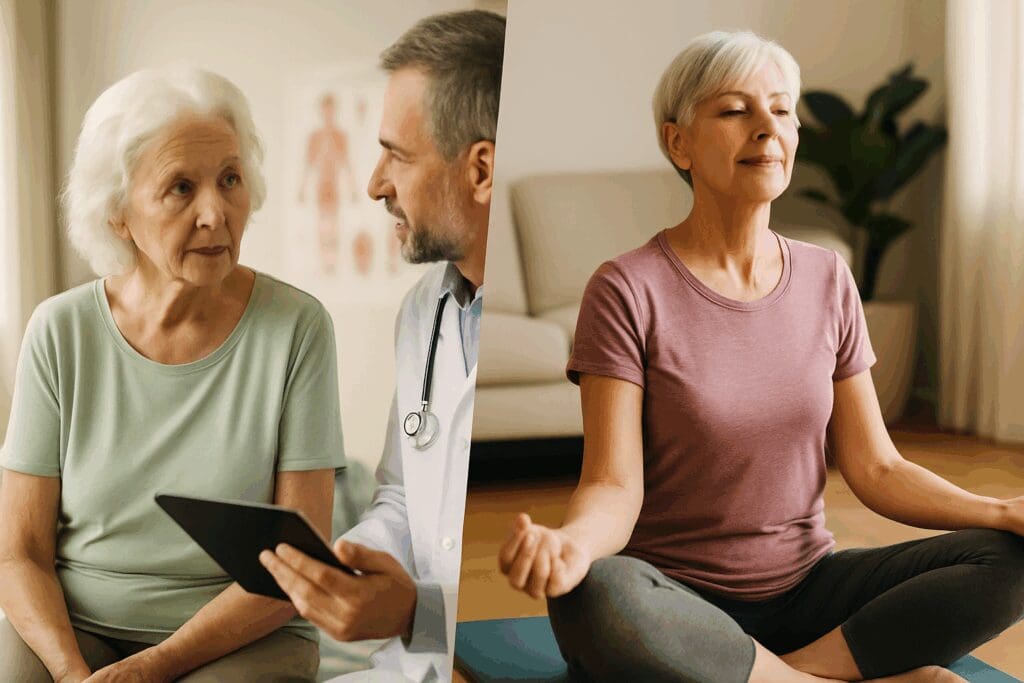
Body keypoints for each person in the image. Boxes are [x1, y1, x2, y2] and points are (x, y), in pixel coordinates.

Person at [497, 30, 1024, 683]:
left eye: (780, 110)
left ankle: (790, 674)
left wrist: (1003, 510)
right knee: (594, 595)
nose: (766, 128)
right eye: (733, 110)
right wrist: (570, 545)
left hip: (809, 594)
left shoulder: (828, 278)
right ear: (678, 142)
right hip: (675, 603)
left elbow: (877, 466)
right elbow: (611, 483)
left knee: (1011, 557)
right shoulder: (627, 288)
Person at [0, 67, 344, 682]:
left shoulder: (298, 329)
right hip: (78, 624)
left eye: (230, 180)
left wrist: (152, 669)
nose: (216, 212)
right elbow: (19, 552)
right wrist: (73, 673)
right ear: (117, 214)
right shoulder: (58, 332)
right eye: (181, 187)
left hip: (246, 630)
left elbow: (298, 562)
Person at [260, 10, 504, 683]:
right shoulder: (424, 310)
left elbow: (551, 604)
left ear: (481, 169)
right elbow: (400, 492)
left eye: (396, 152)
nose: (374, 183)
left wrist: (411, 610)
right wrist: (356, 558)